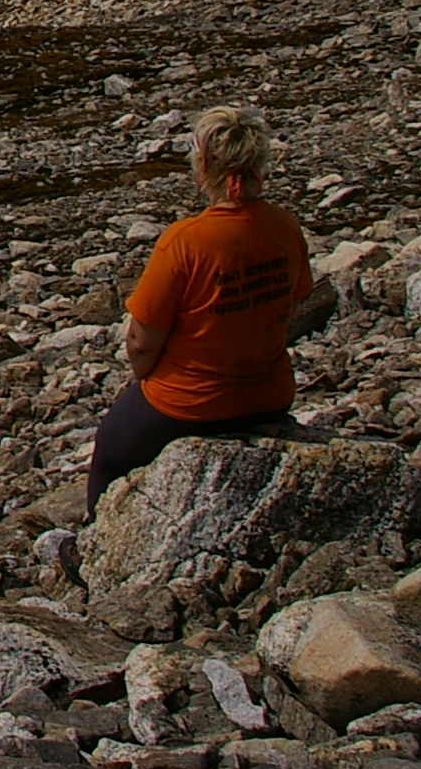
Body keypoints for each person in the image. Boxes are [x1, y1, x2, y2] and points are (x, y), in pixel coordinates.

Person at [85, 104, 322, 514]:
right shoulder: (285, 225)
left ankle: (90, 540)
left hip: (191, 403)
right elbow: (296, 298)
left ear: (205, 164)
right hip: (270, 393)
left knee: (110, 449)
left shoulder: (185, 241)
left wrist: (146, 377)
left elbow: (142, 342)